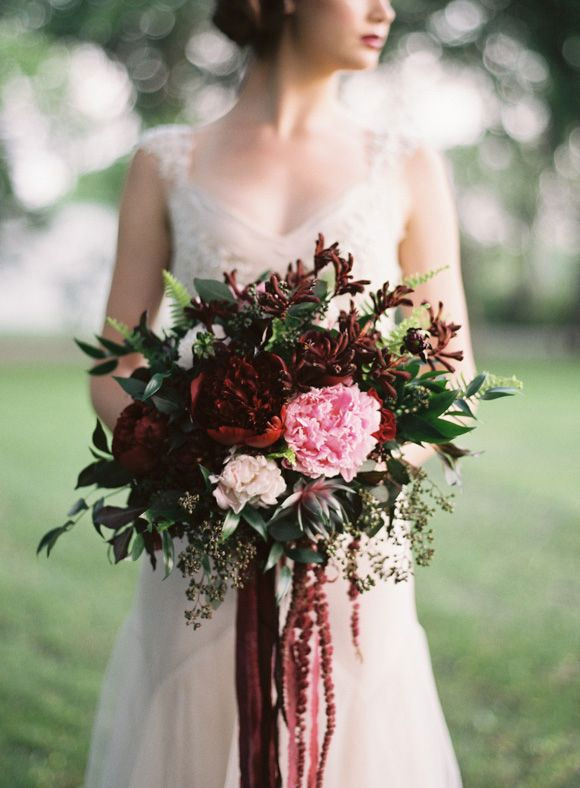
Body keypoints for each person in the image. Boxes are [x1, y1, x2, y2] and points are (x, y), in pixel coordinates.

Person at [85, 0, 476, 785]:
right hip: (203, 534)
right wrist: (196, 465)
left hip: (351, 541)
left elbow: (450, 371)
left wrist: (349, 471)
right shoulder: (165, 161)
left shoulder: (406, 162)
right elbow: (116, 365)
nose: (385, 8)